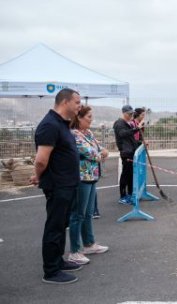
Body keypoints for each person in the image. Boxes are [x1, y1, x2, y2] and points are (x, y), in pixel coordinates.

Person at [29, 88, 83, 284]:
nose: (80, 106)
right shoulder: (50, 125)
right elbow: (41, 160)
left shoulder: (61, 124)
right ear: (65, 102)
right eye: (77, 102)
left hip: (67, 185)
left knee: (61, 226)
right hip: (58, 185)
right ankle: (51, 271)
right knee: (54, 226)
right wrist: (37, 176)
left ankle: (58, 261)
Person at [67, 106, 109, 265]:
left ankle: (89, 243)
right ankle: (74, 251)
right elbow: (91, 153)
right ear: (79, 118)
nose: (91, 119)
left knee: (88, 212)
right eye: (89, 117)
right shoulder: (74, 135)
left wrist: (100, 153)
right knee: (78, 214)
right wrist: (100, 154)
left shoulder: (88, 133)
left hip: (92, 176)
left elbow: (99, 149)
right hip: (81, 177)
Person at [113, 105, 142, 204]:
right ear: (124, 113)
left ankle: (130, 194)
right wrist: (136, 129)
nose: (131, 116)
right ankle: (123, 196)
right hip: (126, 153)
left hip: (131, 152)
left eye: (132, 114)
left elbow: (131, 139)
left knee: (130, 175)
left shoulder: (126, 123)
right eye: (129, 114)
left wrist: (140, 143)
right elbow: (123, 134)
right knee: (125, 174)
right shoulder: (119, 123)